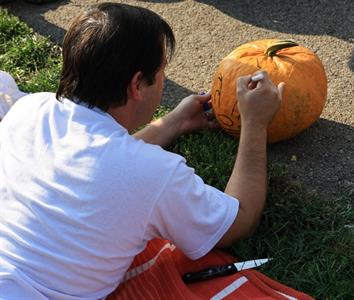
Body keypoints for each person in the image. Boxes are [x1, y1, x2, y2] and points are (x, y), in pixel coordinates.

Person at [0, 3, 284, 299]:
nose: (162, 82)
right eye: (161, 72)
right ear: (138, 84)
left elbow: (99, 166)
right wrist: (254, 124)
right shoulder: (155, 173)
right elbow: (239, 220)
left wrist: (173, 122)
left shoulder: (29, 109)